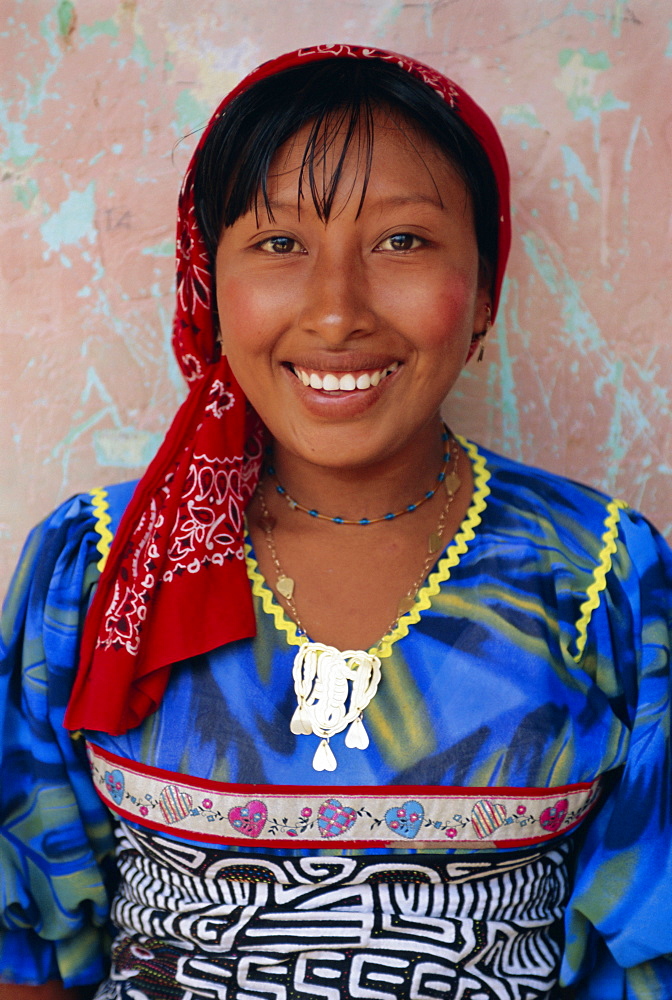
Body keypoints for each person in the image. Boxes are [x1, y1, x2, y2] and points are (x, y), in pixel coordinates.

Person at [1, 43, 670, 1000]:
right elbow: (23, 940)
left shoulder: (601, 576)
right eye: (278, 246)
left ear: (484, 292)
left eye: (403, 242)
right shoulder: (101, 566)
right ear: (209, 286)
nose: (336, 311)